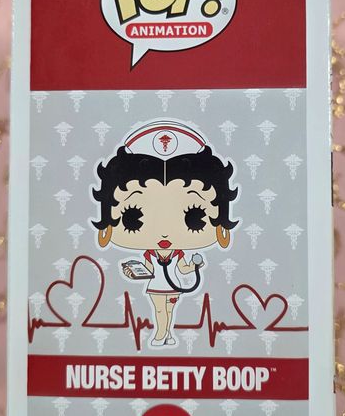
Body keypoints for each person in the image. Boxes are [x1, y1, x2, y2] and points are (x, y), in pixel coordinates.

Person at [91, 120, 239, 346]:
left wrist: (196, 265)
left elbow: (184, 268)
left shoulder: (177, 254)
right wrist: (134, 273)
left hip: (174, 286)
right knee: (160, 310)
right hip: (157, 286)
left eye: (195, 217)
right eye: (132, 218)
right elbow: (148, 270)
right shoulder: (150, 255)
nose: (163, 233)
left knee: (168, 310)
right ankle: (161, 334)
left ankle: (167, 334)